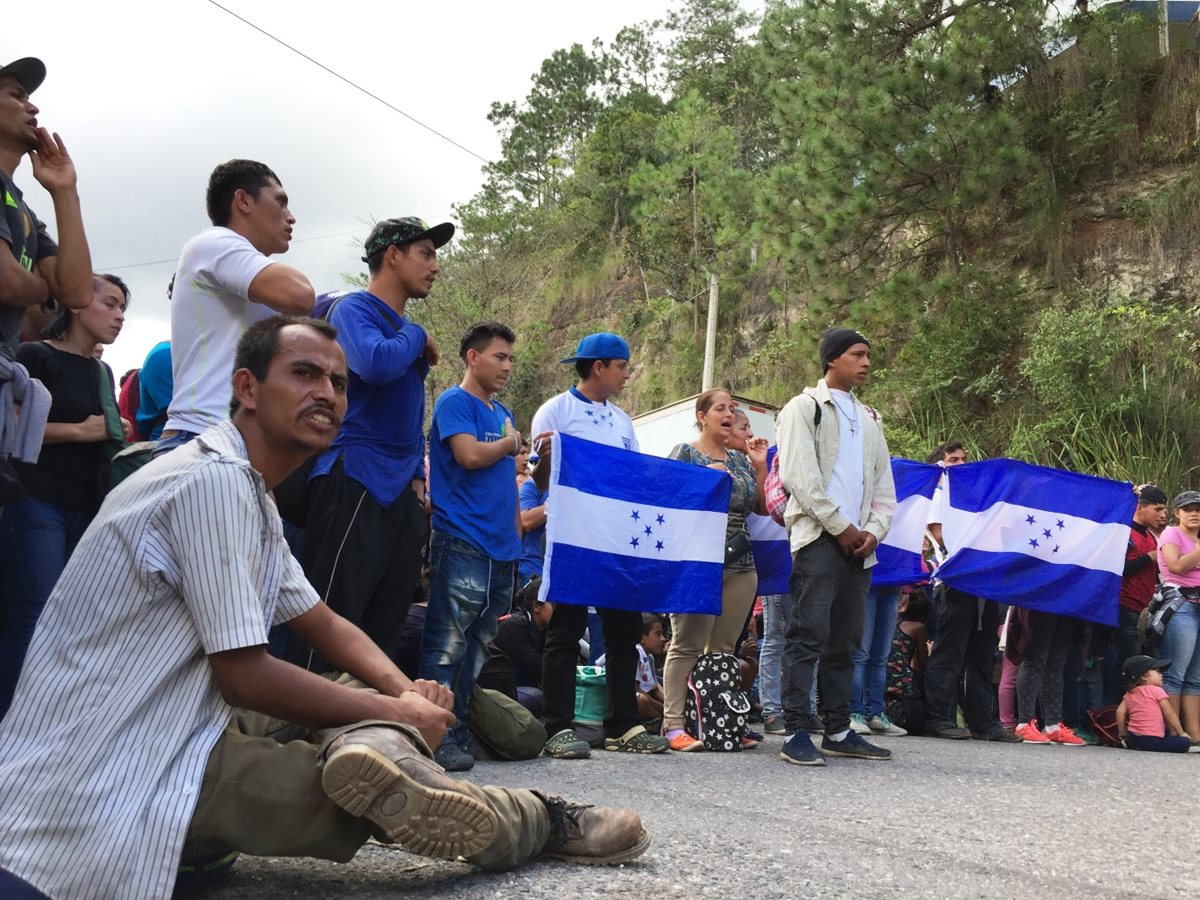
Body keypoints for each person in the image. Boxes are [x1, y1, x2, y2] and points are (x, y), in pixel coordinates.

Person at [0, 315, 650, 900]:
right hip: (118, 765)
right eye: (305, 374)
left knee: (351, 684)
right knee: (355, 795)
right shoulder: (211, 482)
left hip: (174, 717)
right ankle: (539, 817)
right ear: (248, 388)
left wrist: (407, 692)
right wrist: (396, 711)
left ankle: (378, 752)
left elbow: (321, 621)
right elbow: (246, 674)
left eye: (339, 383)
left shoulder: (246, 488)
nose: (328, 394)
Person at [294, 218, 450, 670]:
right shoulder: (353, 309)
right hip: (354, 477)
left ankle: (362, 732)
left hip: (400, 490)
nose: (435, 266)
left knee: (383, 628)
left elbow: (405, 410)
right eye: (426, 252)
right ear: (393, 255)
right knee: (332, 619)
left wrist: (419, 482)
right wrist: (417, 335)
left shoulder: (402, 328)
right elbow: (374, 364)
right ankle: (301, 732)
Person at [530, 332, 670, 758]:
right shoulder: (556, 411)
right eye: (623, 366)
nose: (628, 374)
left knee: (623, 632)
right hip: (574, 538)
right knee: (566, 630)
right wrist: (549, 461)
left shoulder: (623, 421)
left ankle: (623, 724)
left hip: (616, 539)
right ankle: (557, 726)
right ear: (599, 368)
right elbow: (539, 483)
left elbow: (630, 479)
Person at [0, 274, 128, 715]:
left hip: (87, 508)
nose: (119, 315)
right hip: (36, 501)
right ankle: (11, 723)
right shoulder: (34, 356)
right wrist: (80, 431)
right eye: (110, 304)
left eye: (124, 308)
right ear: (76, 303)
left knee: (69, 621)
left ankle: (50, 720)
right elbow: (9, 427)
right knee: (34, 615)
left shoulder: (102, 371)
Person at [775, 327, 896, 766]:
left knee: (845, 638)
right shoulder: (803, 408)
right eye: (857, 354)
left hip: (859, 545)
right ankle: (795, 730)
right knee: (808, 633)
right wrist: (841, 527)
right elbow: (799, 478)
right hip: (819, 539)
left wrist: (873, 532)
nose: (866, 362)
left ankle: (839, 728)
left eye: (868, 355)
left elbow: (884, 486)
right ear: (832, 359)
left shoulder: (870, 418)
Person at [419, 321, 522, 772]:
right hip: (462, 542)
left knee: (477, 648)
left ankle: (456, 732)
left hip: (502, 549)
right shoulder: (453, 402)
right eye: (499, 357)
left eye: (511, 359)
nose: (507, 366)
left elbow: (508, 474)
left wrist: (536, 468)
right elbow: (468, 456)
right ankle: (432, 736)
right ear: (472, 357)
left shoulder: (502, 412)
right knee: (445, 647)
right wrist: (509, 444)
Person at [157, 159, 314, 455]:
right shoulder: (215, 242)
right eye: (280, 202)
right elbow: (301, 295)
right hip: (204, 437)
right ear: (243, 200)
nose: (290, 217)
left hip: (235, 441)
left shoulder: (253, 283)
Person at [661, 389, 767, 752]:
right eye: (720, 408)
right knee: (686, 644)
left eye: (732, 408)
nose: (728, 413)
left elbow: (762, 508)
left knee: (722, 649)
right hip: (697, 561)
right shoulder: (685, 452)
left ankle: (718, 721)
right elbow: (668, 500)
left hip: (741, 563)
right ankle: (674, 725)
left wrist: (760, 464)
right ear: (702, 415)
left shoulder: (739, 460)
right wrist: (703, 480)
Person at [921, 440, 1022, 743]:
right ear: (940, 465)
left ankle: (984, 722)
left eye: (965, 458)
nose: (962, 464)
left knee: (981, 655)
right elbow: (945, 537)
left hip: (983, 582)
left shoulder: (978, 498)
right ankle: (938, 717)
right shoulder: (939, 496)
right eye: (954, 460)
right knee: (949, 653)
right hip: (955, 583)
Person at [0, 57, 93, 359]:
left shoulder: (26, 214)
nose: (33, 108)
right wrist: (43, 290)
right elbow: (8, 281)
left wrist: (65, 191)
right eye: (16, 96)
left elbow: (78, 293)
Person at [1157, 490, 1200, 742]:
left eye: (1198, 509)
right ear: (1178, 513)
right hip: (1181, 603)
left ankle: (1194, 735)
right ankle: (1174, 732)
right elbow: (1176, 565)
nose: (1194, 513)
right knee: (1175, 672)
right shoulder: (1171, 533)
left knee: (1196, 677)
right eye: (1188, 509)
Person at [1119, 485, 1167, 661]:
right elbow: (1118, 569)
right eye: (1158, 509)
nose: (1163, 515)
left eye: (1164, 510)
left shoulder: (1150, 536)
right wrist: (1147, 558)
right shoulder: (1124, 532)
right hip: (1124, 607)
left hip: (1145, 610)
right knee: (1127, 664)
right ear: (1140, 507)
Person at [1116, 655, 1194, 753]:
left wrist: (1123, 733)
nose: (1161, 674)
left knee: (1164, 728)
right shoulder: (1157, 691)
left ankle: (1129, 743)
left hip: (1133, 738)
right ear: (1144, 676)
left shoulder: (1130, 693)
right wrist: (1181, 733)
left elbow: (1119, 712)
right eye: (1157, 671)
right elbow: (1169, 714)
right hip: (1152, 740)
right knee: (1184, 743)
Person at [637, 613, 667, 723]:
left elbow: (654, 689)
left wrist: (670, 706)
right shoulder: (636, 653)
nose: (663, 639)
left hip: (648, 697)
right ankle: (655, 721)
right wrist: (662, 709)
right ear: (641, 638)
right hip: (633, 698)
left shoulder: (649, 657)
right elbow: (635, 689)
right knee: (642, 701)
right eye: (658, 634)